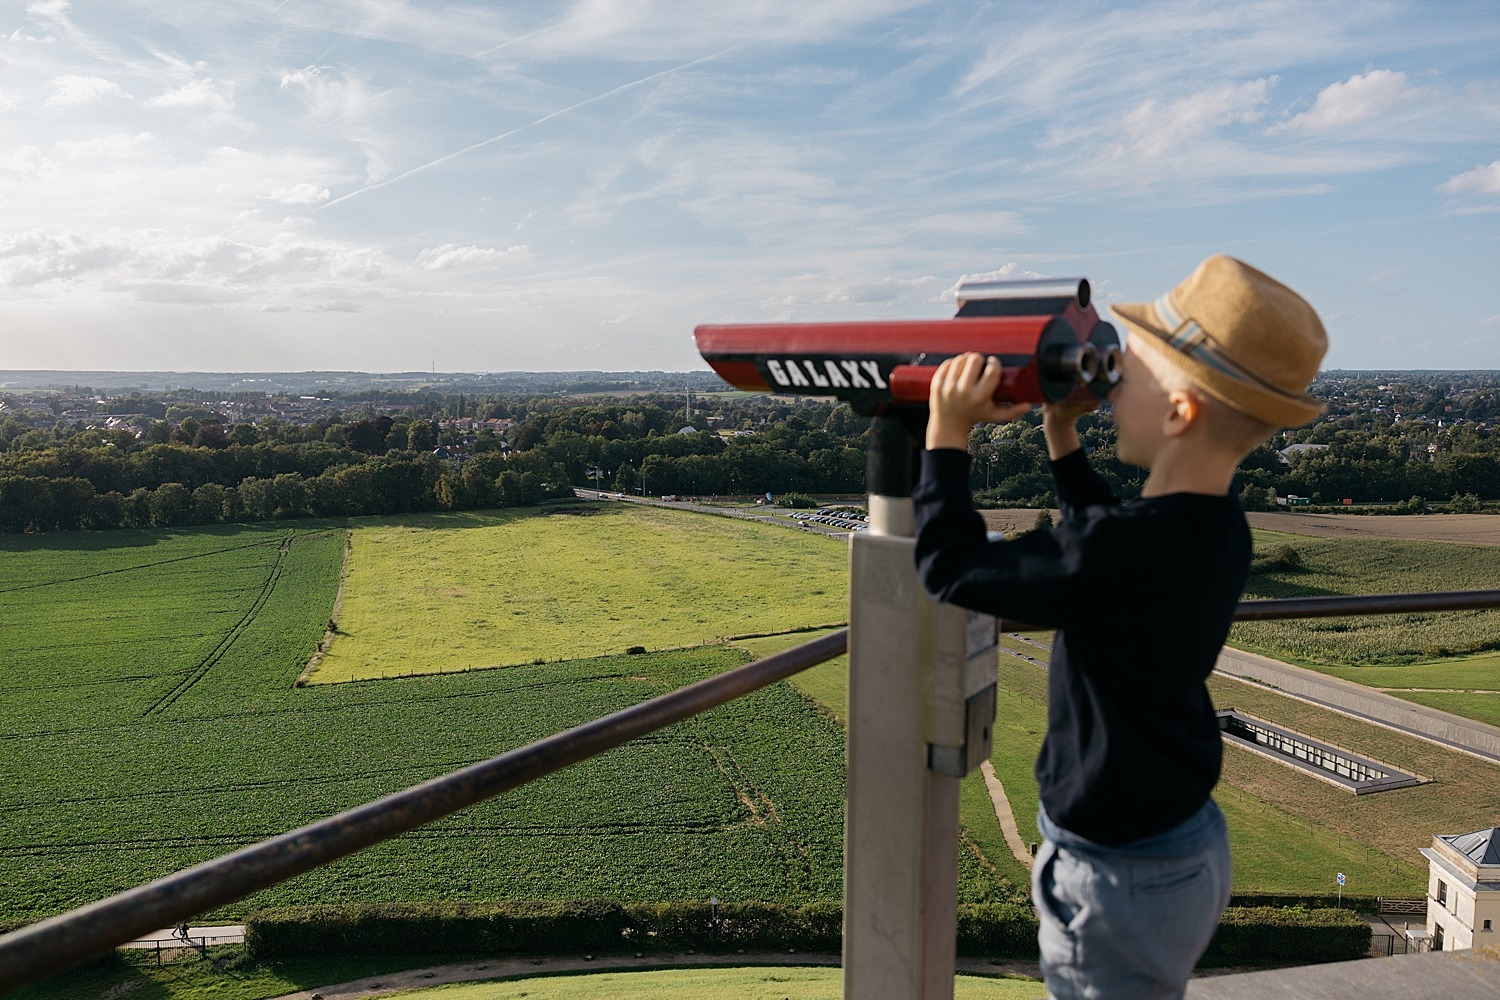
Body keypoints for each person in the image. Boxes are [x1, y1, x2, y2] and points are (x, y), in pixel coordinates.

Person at [912, 255, 1327, 1000]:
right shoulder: (1216, 526)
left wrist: (946, 434)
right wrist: (1060, 437)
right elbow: (1107, 542)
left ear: (1178, 412)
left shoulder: (1124, 552)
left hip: (1115, 874)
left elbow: (951, 569)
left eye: (1124, 371)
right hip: (1183, 843)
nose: (1103, 381)